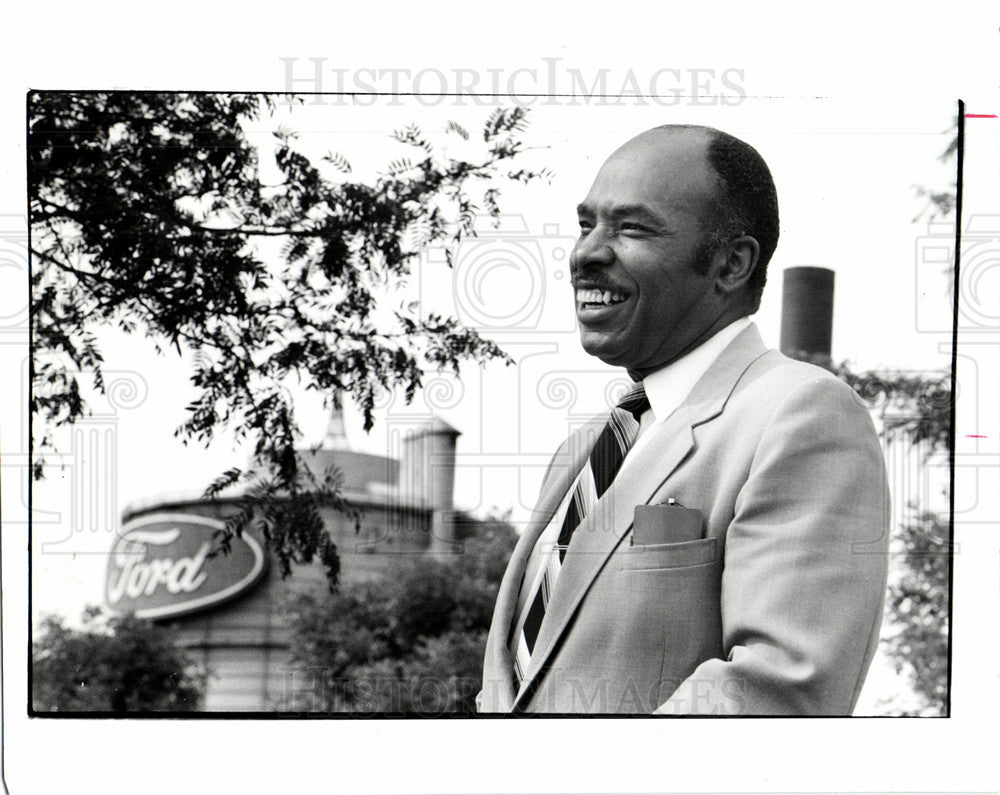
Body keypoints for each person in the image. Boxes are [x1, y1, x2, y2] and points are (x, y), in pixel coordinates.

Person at [478, 124, 890, 715]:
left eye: (632, 228)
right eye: (586, 223)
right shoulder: (586, 449)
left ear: (730, 265)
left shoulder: (800, 415)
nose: (587, 253)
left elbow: (780, 689)